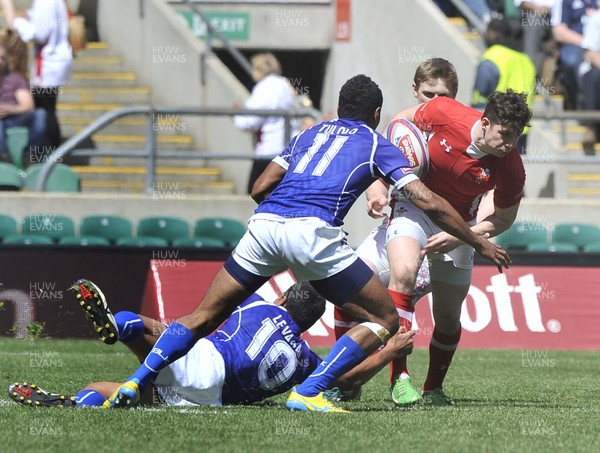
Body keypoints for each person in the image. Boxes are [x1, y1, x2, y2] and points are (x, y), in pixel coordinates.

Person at [102, 74, 509, 413]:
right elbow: (427, 201)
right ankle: (309, 392)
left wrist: (281, 216)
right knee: (384, 319)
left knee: (202, 317)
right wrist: (476, 239)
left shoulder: (308, 135)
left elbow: (260, 186)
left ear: (339, 105)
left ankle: (138, 380)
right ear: (377, 114)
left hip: (263, 225)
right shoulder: (374, 142)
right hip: (312, 233)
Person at [356, 90, 531, 407]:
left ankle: (433, 388)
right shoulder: (444, 112)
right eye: (505, 134)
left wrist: (463, 235)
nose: (510, 144)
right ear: (486, 122)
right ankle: (400, 377)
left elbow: (503, 219)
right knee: (405, 274)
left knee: (448, 316)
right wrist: (386, 181)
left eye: (516, 136)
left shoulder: (512, 167)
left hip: (461, 226)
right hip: (413, 208)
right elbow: (398, 123)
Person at [8, 279, 416, 408]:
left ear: (283, 299)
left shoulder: (258, 303)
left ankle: (117, 326)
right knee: (108, 392)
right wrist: (390, 351)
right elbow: (346, 380)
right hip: (209, 401)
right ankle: (74, 406)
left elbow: (203, 315)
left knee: (156, 327)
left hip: (207, 360)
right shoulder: (308, 360)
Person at [332, 58, 459, 401]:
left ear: (456, 96)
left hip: (451, 233)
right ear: (415, 90)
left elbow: (487, 188)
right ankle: (353, 379)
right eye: (427, 93)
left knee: (447, 319)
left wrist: (475, 231)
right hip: (401, 222)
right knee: (343, 288)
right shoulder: (400, 125)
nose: (434, 101)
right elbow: (375, 169)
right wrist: (375, 196)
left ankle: (433, 387)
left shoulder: (464, 130)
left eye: (442, 95)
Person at [1, 0, 73, 150]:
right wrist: (28, 15)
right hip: (52, 61)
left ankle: (50, 153)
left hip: (48, 63)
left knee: (46, 111)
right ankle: (47, 152)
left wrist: (18, 22)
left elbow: (40, 33)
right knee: (45, 109)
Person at [233, 52, 298, 194]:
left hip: (269, 150)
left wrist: (237, 116)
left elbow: (251, 120)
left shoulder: (266, 87)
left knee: (254, 192)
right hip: (287, 148)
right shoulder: (284, 84)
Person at [472, 18, 536, 154]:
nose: (485, 35)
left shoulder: (493, 55)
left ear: (496, 33)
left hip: (496, 128)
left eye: (488, 31)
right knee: (512, 171)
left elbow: (481, 89)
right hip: (520, 129)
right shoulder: (526, 60)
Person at [0, 43, 47, 167]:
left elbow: (29, 105)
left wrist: (11, 109)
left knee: (40, 114)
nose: (0, 61)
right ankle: (4, 157)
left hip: (13, 118)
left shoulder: (15, 78)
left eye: (3, 58)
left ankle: (29, 155)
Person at [551, 0, 598, 110]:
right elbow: (559, 32)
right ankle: (575, 103)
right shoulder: (564, 2)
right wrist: (589, 43)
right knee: (571, 62)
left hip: (596, 44)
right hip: (576, 43)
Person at [578, 8, 600, 154]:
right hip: (595, 68)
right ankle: (591, 128)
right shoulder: (596, 18)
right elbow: (590, 52)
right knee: (595, 76)